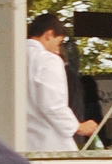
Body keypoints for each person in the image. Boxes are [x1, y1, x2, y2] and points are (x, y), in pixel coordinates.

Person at [26, 13, 98, 152]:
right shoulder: (47, 60)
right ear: (49, 35)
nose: (58, 50)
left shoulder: (11, 57)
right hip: (48, 144)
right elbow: (52, 105)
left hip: (18, 143)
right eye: (59, 43)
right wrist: (78, 127)